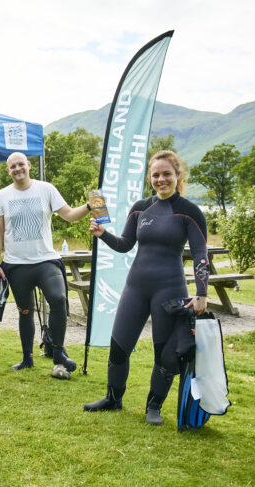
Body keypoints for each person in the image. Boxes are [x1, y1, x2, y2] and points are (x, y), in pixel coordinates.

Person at [83, 150, 208, 426]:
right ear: (149, 177)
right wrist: (103, 235)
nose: (161, 179)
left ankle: (154, 407)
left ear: (178, 175)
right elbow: (125, 244)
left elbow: (200, 253)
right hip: (136, 287)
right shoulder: (140, 208)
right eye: (156, 175)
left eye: (167, 174)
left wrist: (202, 293)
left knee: (164, 355)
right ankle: (113, 399)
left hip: (170, 290)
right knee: (119, 346)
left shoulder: (190, 211)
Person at [0, 152, 91, 379]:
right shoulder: (2, 195)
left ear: (28, 165)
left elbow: (70, 215)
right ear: (8, 171)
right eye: (12, 166)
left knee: (58, 299)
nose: (17, 169)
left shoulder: (46, 189)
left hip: (46, 260)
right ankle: (27, 358)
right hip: (16, 265)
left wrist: (89, 205)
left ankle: (58, 355)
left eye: (21, 164)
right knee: (24, 311)